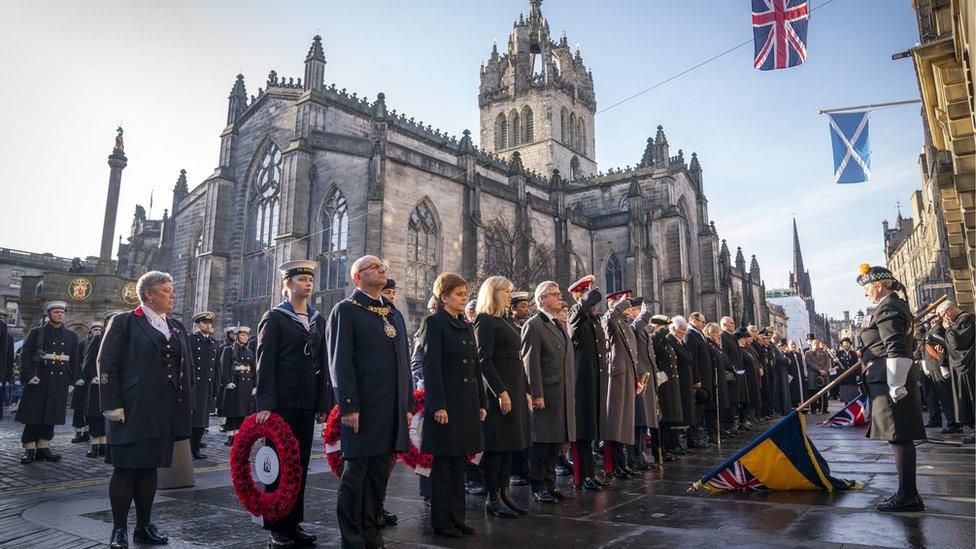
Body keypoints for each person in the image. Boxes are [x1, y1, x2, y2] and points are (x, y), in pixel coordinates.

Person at [99, 271, 192, 548]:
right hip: (131, 410)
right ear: (149, 294)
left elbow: (184, 370)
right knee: (126, 470)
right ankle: (119, 530)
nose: (172, 294)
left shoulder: (175, 326)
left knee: (149, 469)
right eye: (166, 290)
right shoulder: (125, 322)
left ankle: (143, 526)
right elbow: (107, 364)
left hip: (164, 412)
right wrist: (111, 404)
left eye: (172, 289)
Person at [328, 256, 412, 549]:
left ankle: (371, 532)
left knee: (379, 476)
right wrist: (349, 406)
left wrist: (407, 405)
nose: (383, 271)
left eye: (384, 267)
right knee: (356, 477)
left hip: (390, 409)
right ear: (358, 277)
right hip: (363, 409)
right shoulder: (346, 311)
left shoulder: (392, 314)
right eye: (376, 268)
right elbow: (341, 363)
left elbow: (403, 362)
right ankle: (351, 538)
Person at [254, 260, 332, 547]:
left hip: (306, 402)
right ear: (288, 284)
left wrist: (324, 402)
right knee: (278, 464)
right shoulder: (275, 317)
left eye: (310, 279)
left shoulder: (317, 319)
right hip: (282, 403)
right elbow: (266, 364)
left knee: (299, 465)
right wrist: (266, 403)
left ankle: (293, 522)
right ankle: (275, 523)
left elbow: (323, 363)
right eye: (301, 279)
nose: (307, 283)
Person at [419, 272, 486, 537]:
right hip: (447, 405)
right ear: (444, 297)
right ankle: (442, 520)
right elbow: (431, 368)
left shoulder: (466, 325)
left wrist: (481, 401)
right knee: (444, 466)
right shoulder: (434, 323)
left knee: (459, 464)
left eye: (465, 294)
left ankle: (457, 518)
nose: (463, 299)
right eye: (458, 294)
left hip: (466, 404)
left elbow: (475, 366)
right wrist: (437, 405)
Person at [857, 264, 926, 512]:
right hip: (885, 377)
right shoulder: (889, 305)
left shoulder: (888, 306)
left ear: (879, 285)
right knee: (898, 437)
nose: (865, 293)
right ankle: (908, 492)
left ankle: (908, 494)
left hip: (890, 379)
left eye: (867, 287)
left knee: (899, 435)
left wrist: (896, 383)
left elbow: (895, 345)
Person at [474, 276, 531, 516]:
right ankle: (493, 497)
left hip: (515, 388)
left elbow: (518, 360)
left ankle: (505, 492)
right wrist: (501, 391)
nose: (510, 295)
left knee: (509, 444)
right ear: (494, 293)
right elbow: (483, 360)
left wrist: (526, 390)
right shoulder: (485, 320)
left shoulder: (504, 320)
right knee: (496, 445)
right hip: (499, 392)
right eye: (506, 291)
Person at [521, 280, 576, 504]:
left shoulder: (557, 324)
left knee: (555, 443)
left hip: (561, 392)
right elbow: (529, 362)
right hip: (546, 392)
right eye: (554, 294)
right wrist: (536, 394)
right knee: (542, 442)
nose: (559, 297)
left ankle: (550, 484)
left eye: (559, 293)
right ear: (542, 299)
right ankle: (538, 485)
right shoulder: (534, 324)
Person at [16, 301, 78, 464]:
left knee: (51, 415)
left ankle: (43, 448)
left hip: (59, 381)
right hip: (39, 379)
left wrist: (71, 381)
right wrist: (28, 376)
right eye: (56, 312)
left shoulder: (72, 336)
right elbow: (26, 356)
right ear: (49, 314)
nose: (59, 314)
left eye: (62, 312)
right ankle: (30, 450)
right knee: (33, 416)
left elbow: (74, 361)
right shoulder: (37, 332)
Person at [567, 275, 608, 491]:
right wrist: (587, 300)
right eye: (588, 298)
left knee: (590, 432)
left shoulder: (592, 320)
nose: (594, 305)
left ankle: (590, 473)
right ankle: (581, 476)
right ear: (578, 296)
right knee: (582, 433)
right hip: (581, 385)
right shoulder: (576, 315)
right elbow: (576, 320)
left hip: (593, 382)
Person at [601, 290, 638, 478]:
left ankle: (621, 463)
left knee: (624, 422)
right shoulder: (612, 320)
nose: (628, 307)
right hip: (616, 375)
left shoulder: (625, 323)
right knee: (614, 423)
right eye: (624, 303)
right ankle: (613, 465)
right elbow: (607, 320)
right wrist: (620, 304)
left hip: (627, 374)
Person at [625, 297, 659, 468]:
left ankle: (639, 454)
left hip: (647, 377)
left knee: (644, 419)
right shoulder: (629, 325)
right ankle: (634, 456)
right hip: (638, 378)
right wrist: (645, 314)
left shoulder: (643, 329)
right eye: (635, 310)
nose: (636, 313)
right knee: (638, 419)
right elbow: (634, 329)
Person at [84, 311, 121, 459]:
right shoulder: (98, 338)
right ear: (106, 323)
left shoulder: (124, 339)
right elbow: (88, 361)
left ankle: (105, 444)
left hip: (114, 384)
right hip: (98, 384)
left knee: (110, 414)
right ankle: (94, 445)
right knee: (95, 416)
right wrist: (92, 376)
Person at [506, 290, 533, 486]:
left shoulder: (523, 327)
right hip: (511, 383)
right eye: (523, 306)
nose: (526, 309)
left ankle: (524, 468)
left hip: (522, 381)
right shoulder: (509, 327)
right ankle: (514, 471)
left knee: (524, 428)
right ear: (513, 308)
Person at [938, 300, 974, 443]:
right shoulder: (959, 321)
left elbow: (957, 343)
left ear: (950, 310)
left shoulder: (966, 319)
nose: (944, 319)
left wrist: (948, 328)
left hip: (969, 367)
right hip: (962, 368)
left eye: (944, 315)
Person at [650, 315, 682, 460]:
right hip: (661, 385)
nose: (667, 330)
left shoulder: (666, 341)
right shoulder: (654, 338)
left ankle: (666, 447)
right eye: (664, 326)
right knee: (661, 420)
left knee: (668, 419)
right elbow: (654, 342)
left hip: (669, 384)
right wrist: (662, 330)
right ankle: (658, 450)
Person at [220, 326, 255, 446]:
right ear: (236, 336)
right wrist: (227, 382)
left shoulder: (249, 352)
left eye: (246, 335)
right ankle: (231, 436)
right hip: (234, 383)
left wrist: (254, 386)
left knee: (242, 412)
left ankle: (238, 435)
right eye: (242, 335)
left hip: (246, 384)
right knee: (232, 412)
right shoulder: (229, 350)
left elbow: (253, 370)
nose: (245, 337)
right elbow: (224, 367)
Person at [666, 316, 695, 453]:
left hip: (685, 381)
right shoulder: (670, 340)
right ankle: (673, 443)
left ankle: (676, 443)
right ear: (674, 329)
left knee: (683, 413)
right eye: (682, 329)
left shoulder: (680, 342)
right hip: (678, 382)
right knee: (676, 414)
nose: (684, 332)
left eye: (685, 329)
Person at [71, 322, 102, 444]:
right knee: (79, 409)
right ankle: (78, 432)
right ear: (90, 331)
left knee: (92, 409)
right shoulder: (82, 345)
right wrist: (76, 378)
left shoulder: (102, 344)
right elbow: (75, 362)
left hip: (94, 382)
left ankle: (88, 432)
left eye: (99, 329)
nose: (97, 331)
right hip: (82, 382)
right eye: (95, 329)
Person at [684, 313, 711, 447]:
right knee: (696, 409)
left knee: (700, 409)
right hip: (698, 379)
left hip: (705, 377)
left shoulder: (699, 334)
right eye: (702, 321)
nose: (704, 324)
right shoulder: (690, 335)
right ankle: (692, 438)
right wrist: (696, 378)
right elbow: (692, 359)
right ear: (694, 321)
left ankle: (696, 436)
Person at [720, 317, 750, 429]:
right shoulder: (723, 336)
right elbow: (724, 355)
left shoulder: (731, 336)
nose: (734, 325)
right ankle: (729, 425)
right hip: (731, 373)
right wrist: (732, 368)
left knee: (738, 399)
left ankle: (735, 423)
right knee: (732, 400)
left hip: (739, 372)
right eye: (731, 323)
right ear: (724, 324)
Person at [804, 340, 831, 414]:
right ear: (812, 344)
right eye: (815, 344)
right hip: (813, 376)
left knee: (824, 393)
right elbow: (809, 363)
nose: (816, 345)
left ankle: (823, 409)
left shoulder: (824, 353)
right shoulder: (808, 353)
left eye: (818, 344)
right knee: (813, 393)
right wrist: (819, 370)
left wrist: (824, 370)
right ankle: (813, 409)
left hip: (823, 375)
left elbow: (827, 363)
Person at [835, 338, 860, 403]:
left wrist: (858, 375)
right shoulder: (839, 353)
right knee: (845, 396)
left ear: (850, 345)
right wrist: (835, 361)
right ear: (842, 345)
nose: (846, 344)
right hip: (843, 377)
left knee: (853, 396)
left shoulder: (853, 353)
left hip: (852, 376)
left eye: (847, 343)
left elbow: (857, 365)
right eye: (844, 343)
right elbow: (836, 366)